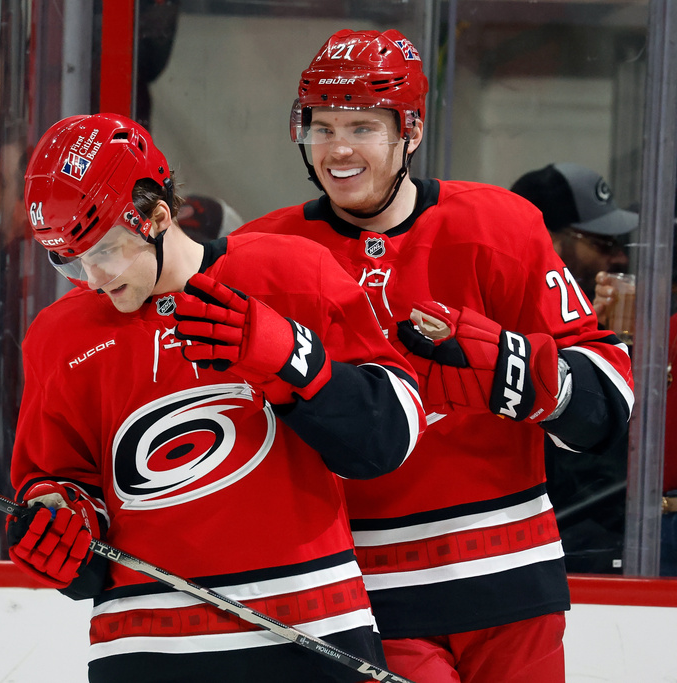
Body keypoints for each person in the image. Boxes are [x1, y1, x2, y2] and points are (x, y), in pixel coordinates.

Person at [236, 29, 634, 683]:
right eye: (322, 126)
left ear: (411, 131)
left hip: (515, 590)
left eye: (362, 126)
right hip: (360, 596)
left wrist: (531, 378)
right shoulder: (261, 254)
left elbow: (611, 399)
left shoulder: (500, 226)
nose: (338, 148)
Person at [7, 112, 427, 682]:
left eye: (103, 250)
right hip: (144, 652)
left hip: (310, 637)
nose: (93, 278)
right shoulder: (57, 338)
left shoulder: (289, 272)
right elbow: (57, 478)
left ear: (156, 215)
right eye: (69, 260)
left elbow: (393, 436)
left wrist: (291, 359)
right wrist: (59, 526)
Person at [510, 162, 635, 574]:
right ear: (547, 240)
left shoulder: (598, 320)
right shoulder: (501, 319)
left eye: (620, 243)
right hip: (559, 539)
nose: (617, 257)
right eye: (601, 242)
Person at [510, 162, 636, 305]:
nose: (621, 258)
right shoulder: (498, 316)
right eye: (603, 244)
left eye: (617, 241)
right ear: (547, 241)